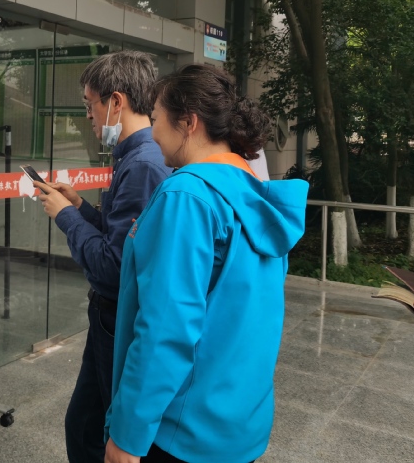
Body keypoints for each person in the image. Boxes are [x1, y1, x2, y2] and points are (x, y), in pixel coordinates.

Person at [104, 64, 308, 463]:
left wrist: (128, 434)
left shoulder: (187, 195)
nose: (152, 133)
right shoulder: (257, 194)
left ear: (188, 122)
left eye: (156, 120)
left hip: (182, 430)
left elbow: (166, 326)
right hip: (240, 425)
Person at [33, 50, 172, 463]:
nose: (89, 117)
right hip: (108, 317)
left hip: (116, 315)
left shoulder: (142, 164)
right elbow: (122, 239)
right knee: (83, 424)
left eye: (89, 105)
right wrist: (79, 207)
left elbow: (114, 267)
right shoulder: (134, 156)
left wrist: (65, 218)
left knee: (94, 430)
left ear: (116, 101)